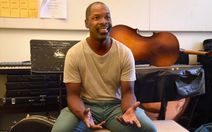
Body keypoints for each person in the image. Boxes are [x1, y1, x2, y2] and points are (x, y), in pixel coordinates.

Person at [51, 1, 157, 132]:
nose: (103, 21)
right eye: (96, 18)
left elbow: (128, 92)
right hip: (85, 107)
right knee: (60, 131)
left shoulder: (124, 52)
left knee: (149, 129)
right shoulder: (74, 53)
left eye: (107, 17)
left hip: (116, 108)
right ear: (86, 23)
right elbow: (73, 95)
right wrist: (83, 114)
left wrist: (128, 111)